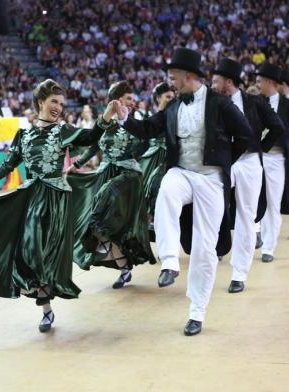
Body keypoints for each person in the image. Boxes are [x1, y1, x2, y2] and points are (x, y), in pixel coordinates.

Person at [0, 79, 111, 333]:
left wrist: (106, 117)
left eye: (61, 103)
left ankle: (44, 302)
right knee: (30, 245)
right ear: (39, 103)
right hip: (33, 194)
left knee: (43, 252)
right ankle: (44, 306)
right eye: (53, 102)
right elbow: (9, 164)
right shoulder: (24, 135)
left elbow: (91, 136)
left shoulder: (63, 131)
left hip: (57, 196)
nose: (58, 107)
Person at [119, 48, 254, 336]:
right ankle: (168, 261)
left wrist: (223, 162)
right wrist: (124, 119)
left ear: (189, 76)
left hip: (210, 179)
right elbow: (147, 129)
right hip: (183, 172)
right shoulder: (173, 106)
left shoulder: (220, 103)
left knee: (205, 248)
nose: (170, 82)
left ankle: (197, 312)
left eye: (173, 77)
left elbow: (245, 135)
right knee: (167, 186)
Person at [66, 81, 155, 290]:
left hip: (127, 176)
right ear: (116, 101)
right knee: (109, 224)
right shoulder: (103, 123)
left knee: (103, 217)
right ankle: (124, 268)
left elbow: (143, 145)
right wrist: (76, 165)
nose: (132, 103)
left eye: (134, 100)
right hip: (105, 173)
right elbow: (92, 147)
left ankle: (109, 249)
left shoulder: (134, 123)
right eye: (128, 99)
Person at [212, 58, 285, 293]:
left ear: (229, 82)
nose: (212, 84)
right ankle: (215, 252)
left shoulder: (253, 102)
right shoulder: (212, 103)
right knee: (212, 207)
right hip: (225, 163)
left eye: (216, 80)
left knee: (246, 216)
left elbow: (278, 127)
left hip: (250, 162)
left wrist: (259, 148)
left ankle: (239, 273)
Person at [255, 63, 289, 263]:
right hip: (254, 157)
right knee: (249, 200)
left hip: (276, 158)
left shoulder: (286, 105)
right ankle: (254, 236)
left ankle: (269, 247)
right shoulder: (254, 102)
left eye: (260, 81)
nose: (257, 84)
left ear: (270, 82)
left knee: (273, 202)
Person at [138, 82, 175, 226]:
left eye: (173, 96)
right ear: (159, 98)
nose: (172, 99)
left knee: (156, 184)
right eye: (168, 97)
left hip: (168, 156)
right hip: (153, 155)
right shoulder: (155, 115)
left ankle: (156, 218)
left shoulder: (175, 114)